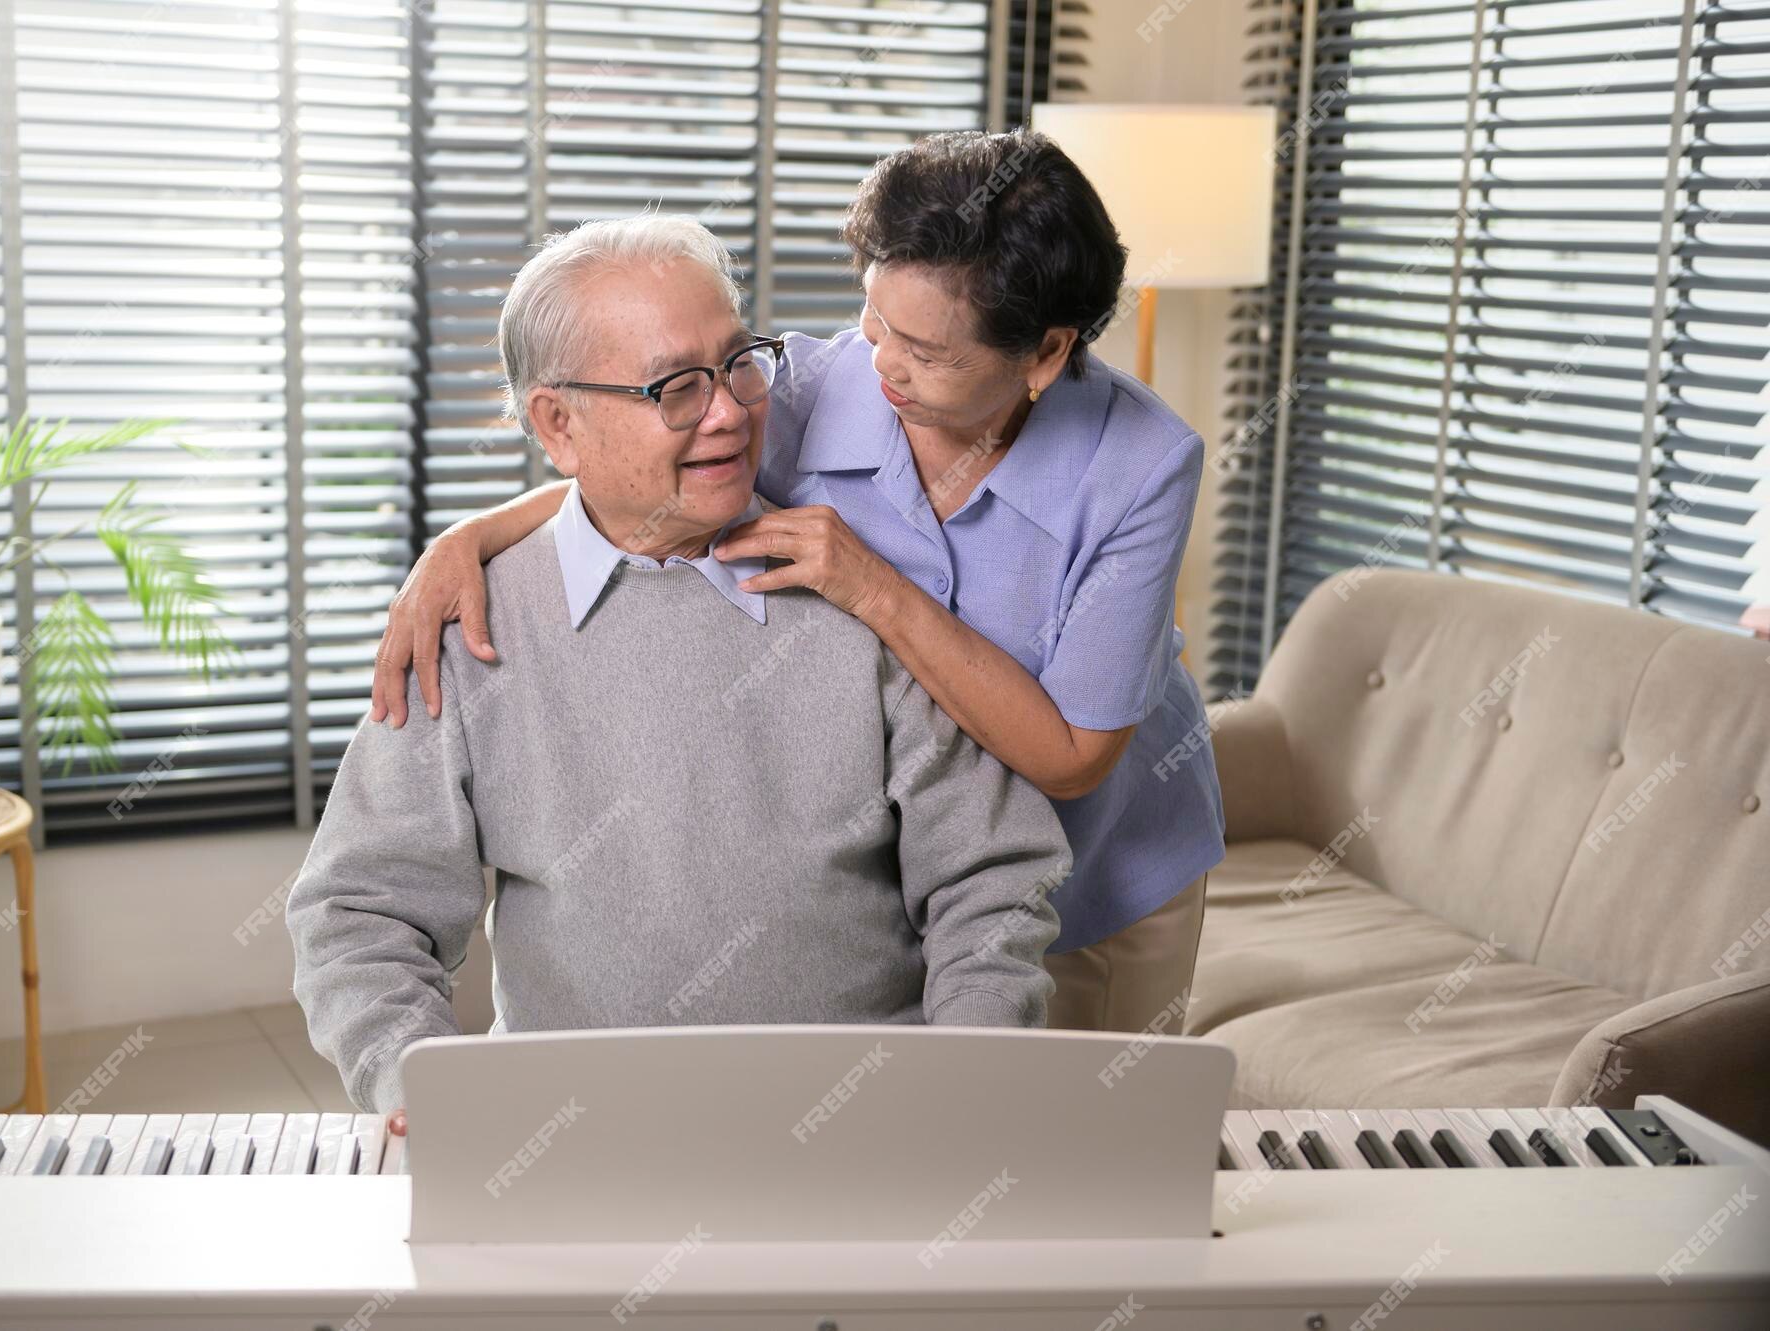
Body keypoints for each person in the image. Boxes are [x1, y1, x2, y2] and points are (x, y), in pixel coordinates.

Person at [370, 129, 1225, 1041]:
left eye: (926, 350)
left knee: (1094, 1154)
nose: (884, 359)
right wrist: (471, 536)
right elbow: (649, 464)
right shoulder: (812, 388)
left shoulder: (1141, 463)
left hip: (1104, 856)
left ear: (1046, 353)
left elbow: (1073, 753)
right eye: (875, 314)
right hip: (918, 867)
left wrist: (876, 587)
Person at [288, 214, 1069, 1120]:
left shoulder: (855, 587)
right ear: (558, 423)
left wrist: (958, 1087)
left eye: (739, 362)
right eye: (675, 387)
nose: (733, 411)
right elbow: (360, 915)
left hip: (864, 1134)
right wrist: (420, 1084)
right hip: (569, 1146)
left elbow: (995, 875)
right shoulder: (467, 627)